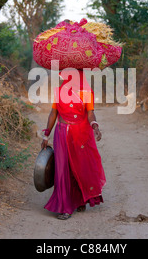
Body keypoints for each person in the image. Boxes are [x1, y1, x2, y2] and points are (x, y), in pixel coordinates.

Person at [41, 69, 106, 220]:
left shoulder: (86, 93)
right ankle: (65, 207)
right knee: (63, 169)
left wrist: (95, 126)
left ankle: (80, 199)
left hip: (80, 134)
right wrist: (46, 134)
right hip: (62, 133)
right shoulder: (59, 92)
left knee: (80, 167)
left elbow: (90, 113)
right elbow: (53, 113)